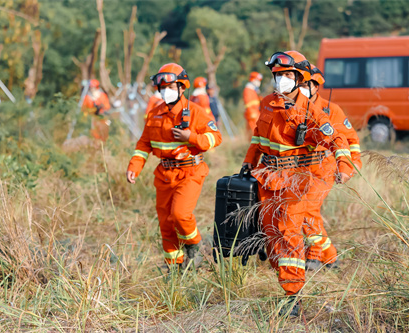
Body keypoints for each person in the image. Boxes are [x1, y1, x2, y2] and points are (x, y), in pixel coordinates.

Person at [242, 51, 353, 316]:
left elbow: (335, 137)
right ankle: (285, 279)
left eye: (287, 75)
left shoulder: (311, 109)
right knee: (271, 235)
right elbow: (258, 136)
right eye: (277, 75)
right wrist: (249, 160)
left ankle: (292, 296)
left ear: (299, 77)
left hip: (297, 180)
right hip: (267, 177)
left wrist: (344, 164)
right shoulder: (268, 102)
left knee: (289, 231)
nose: (281, 80)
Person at [126, 63, 222, 269]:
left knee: (180, 215)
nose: (165, 91)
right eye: (162, 88)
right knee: (166, 223)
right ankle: (174, 266)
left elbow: (216, 137)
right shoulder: (155, 114)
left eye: (170, 87)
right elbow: (144, 144)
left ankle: (195, 245)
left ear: (181, 87)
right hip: (164, 174)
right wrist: (134, 166)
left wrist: (192, 137)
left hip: (190, 172)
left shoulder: (195, 112)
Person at [298, 65, 362, 271]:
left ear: (316, 86)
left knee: (308, 210)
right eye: (301, 83)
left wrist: (351, 165)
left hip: (324, 168)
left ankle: (314, 256)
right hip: (298, 170)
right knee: (299, 211)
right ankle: (331, 256)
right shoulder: (293, 106)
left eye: (308, 84)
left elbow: (350, 140)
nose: (303, 87)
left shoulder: (331, 110)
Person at [243, 71, 263, 138]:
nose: (259, 82)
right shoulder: (248, 90)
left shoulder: (254, 90)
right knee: (253, 131)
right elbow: (248, 104)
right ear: (253, 80)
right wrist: (252, 114)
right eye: (258, 80)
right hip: (252, 115)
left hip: (257, 113)